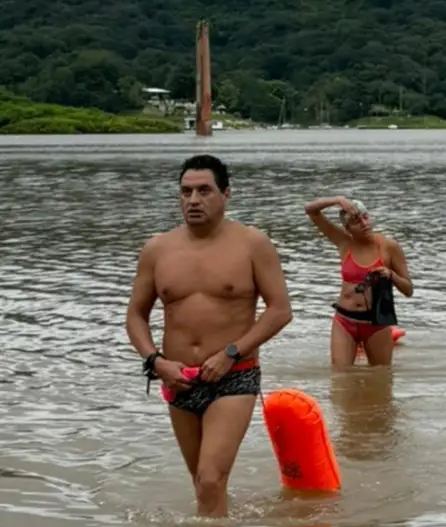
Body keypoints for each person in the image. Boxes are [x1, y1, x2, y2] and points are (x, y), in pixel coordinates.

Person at [124, 154, 294, 518]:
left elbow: (280, 310)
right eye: (186, 192)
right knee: (203, 484)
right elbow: (136, 316)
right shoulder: (158, 249)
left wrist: (232, 352)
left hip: (234, 375)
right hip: (178, 380)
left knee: (211, 479)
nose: (193, 200)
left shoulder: (252, 244)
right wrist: (155, 361)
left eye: (204, 191)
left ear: (226, 194)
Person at [305, 196, 414, 367]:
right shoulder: (343, 242)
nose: (364, 224)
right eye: (356, 221)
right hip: (344, 321)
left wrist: (391, 275)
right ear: (347, 228)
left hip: (376, 324)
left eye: (365, 217)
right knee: (341, 380)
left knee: (381, 381)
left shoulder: (388, 247)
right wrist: (337, 200)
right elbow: (311, 210)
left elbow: (408, 290)